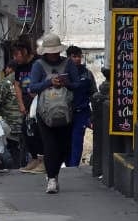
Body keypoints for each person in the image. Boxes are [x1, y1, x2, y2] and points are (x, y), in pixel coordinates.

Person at [28, 32, 80, 194]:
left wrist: (66, 82)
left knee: (64, 146)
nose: (53, 55)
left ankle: (54, 173)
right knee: (50, 145)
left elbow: (77, 85)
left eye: (56, 52)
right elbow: (33, 87)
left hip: (66, 111)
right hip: (45, 113)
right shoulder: (38, 65)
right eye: (51, 52)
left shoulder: (68, 64)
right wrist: (49, 82)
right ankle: (51, 178)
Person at [11, 37, 43, 172]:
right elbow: (17, 85)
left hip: (39, 102)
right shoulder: (19, 67)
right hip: (26, 103)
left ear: (24, 51)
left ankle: (43, 160)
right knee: (26, 131)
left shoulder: (38, 63)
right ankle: (34, 159)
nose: (15, 58)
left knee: (39, 131)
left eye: (16, 54)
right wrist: (21, 104)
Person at [65, 45, 96, 168]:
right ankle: (67, 165)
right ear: (68, 58)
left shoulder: (87, 74)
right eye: (74, 56)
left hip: (81, 112)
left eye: (79, 56)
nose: (77, 59)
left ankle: (73, 168)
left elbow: (94, 93)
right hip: (64, 113)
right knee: (65, 141)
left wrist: (94, 114)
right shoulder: (63, 74)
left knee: (77, 141)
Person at [0, 61, 26, 169]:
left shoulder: (4, 83)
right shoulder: (27, 79)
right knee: (23, 150)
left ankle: (14, 169)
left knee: (11, 151)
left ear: (10, 68)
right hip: (25, 123)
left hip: (9, 125)